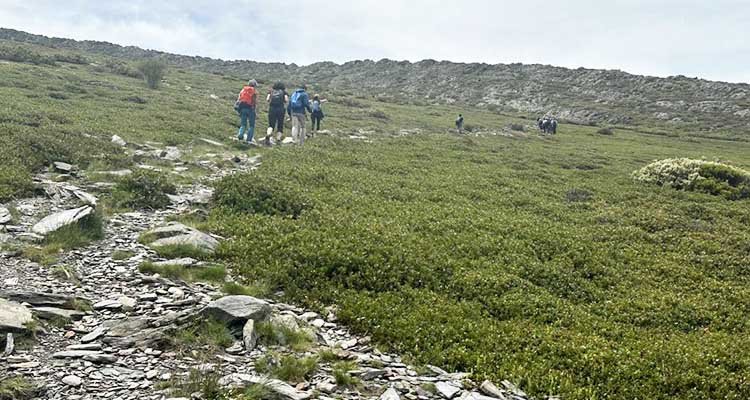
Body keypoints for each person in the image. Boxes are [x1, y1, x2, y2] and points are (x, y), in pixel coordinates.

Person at [236, 79, 258, 144]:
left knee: (243, 124)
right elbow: (255, 102)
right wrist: (255, 109)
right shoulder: (254, 91)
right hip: (251, 109)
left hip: (243, 108)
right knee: (251, 125)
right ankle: (249, 139)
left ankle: (240, 135)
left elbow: (239, 99)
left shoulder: (243, 90)